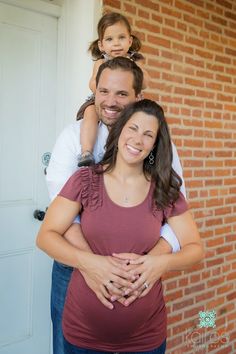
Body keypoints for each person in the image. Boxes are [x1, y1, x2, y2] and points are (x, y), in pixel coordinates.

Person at [37, 99, 204, 353]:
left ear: (155, 144)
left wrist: (162, 263)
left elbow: (195, 248)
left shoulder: (164, 189)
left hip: (146, 339)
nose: (138, 139)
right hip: (82, 335)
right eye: (133, 128)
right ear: (119, 131)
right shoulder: (85, 180)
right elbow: (46, 237)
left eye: (148, 134)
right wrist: (88, 262)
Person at [78, 12, 149, 167]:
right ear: (101, 45)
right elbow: (92, 84)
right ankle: (86, 152)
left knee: (144, 117)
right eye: (110, 39)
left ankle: (137, 153)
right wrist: (110, 84)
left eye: (121, 38)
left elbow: (144, 83)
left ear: (130, 41)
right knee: (90, 113)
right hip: (101, 100)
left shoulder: (135, 60)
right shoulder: (101, 62)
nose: (116, 43)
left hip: (129, 101)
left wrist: (133, 67)